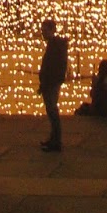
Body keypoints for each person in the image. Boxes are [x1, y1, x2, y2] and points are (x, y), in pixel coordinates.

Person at [38, 18, 68, 152]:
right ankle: (53, 139)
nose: (43, 33)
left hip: (51, 83)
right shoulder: (55, 45)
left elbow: (53, 67)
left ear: (52, 30)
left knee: (52, 111)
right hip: (50, 82)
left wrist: (47, 83)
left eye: (45, 30)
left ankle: (56, 141)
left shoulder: (55, 46)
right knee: (51, 111)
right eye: (42, 30)